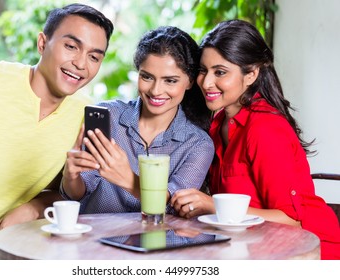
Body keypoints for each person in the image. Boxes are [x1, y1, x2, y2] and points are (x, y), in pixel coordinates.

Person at [0, 3, 114, 260]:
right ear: (42, 43)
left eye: (94, 56)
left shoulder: (85, 116)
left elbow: (69, 192)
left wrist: (34, 206)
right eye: (71, 46)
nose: (81, 63)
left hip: (5, 244)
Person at [171, 19, 340, 259]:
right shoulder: (218, 125)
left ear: (251, 74)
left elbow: (290, 221)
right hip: (255, 250)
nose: (206, 82)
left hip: (310, 253)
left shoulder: (264, 127)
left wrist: (211, 205)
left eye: (220, 72)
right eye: (202, 70)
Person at [60, 26, 214, 214]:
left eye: (170, 81)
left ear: (189, 81)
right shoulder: (109, 116)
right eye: (147, 77)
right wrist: (71, 177)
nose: (156, 90)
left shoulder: (197, 144)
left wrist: (129, 179)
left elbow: (176, 207)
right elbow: (77, 193)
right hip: (97, 238)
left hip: (158, 241)